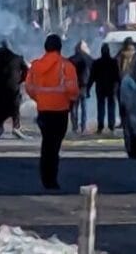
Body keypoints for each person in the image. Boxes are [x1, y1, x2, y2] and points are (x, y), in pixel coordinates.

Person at [25, 34, 79, 191]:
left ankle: (46, 177)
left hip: (43, 111)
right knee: (54, 146)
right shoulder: (66, 66)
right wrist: (69, 100)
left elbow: (29, 88)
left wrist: (40, 99)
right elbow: (72, 90)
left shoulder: (35, 66)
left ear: (45, 47)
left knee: (47, 144)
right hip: (60, 111)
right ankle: (51, 179)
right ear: (60, 48)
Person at [0, 40, 27, 138]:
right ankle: (16, 127)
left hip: (0, 86)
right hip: (13, 86)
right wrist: (20, 80)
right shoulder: (17, 57)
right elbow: (26, 70)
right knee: (14, 106)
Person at [89, 43, 121, 133]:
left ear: (101, 52)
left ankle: (100, 127)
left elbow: (92, 77)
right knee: (111, 106)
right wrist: (119, 86)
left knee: (101, 107)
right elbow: (117, 76)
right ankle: (111, 126)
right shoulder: (114, 62)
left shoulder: (97, 63)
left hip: (100, 88)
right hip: (111, 88)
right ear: (109, 51)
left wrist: (88, 88)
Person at [68, 41, 93, 135]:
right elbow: (93, 73)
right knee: (84, 107)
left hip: (73, 85)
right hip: (84, 86)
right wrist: (90, 85)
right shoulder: (89, 59)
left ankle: (74, 127)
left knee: (74, 107)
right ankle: (83, 127)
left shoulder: (71, 59)